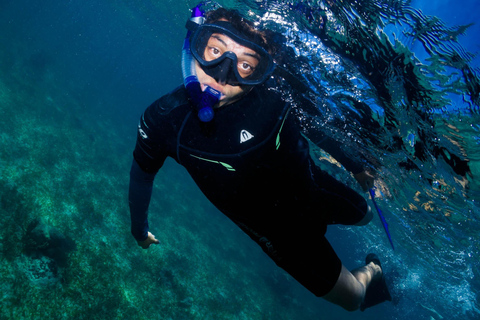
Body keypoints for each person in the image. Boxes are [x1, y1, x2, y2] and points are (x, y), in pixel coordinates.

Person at [128, 6, 391, 312]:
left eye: (245, 66)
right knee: (354, 299)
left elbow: (314, 127)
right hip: (278, 233)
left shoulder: (277, 92)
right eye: (215, 50)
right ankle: (374, 269)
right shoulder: (165, 120)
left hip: (313, 189)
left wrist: (356, 166)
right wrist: (139, 228)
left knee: (366, 216)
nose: (221, 73)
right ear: (194, 46)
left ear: (261, 71)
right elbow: (142, 175)